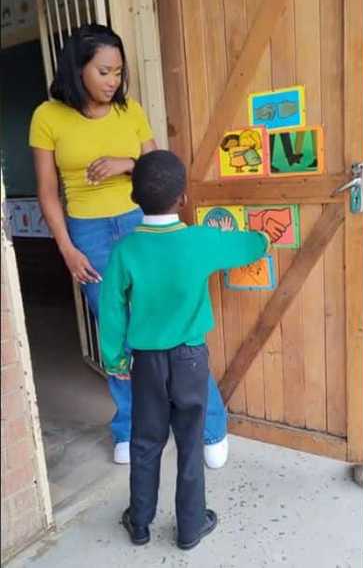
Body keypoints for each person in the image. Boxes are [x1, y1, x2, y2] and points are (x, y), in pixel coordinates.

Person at [29, 23, 230, 466]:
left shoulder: (130, 111)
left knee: (176, 323)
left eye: (118, 72)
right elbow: (47, 191)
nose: (113, 81)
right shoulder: (48, 117)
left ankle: (210, 426)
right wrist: (66, 248)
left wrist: (127, 164)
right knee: (117, 331)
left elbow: (159, 168)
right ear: (78, 68)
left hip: (143, 222)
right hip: (88, 232)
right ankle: (130, 427)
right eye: (104, 71)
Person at [98, 150, 269, 549]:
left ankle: (139, 523)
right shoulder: (200, 240)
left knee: (145, 442)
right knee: (190, 442)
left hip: (145, 363)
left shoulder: (125, 251)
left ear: (134, 199)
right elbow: (251, 246)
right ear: (183, 199)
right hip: (191, 360)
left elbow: (111, 309)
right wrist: (263, 237)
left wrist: (115, 358)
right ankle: (191, 528)